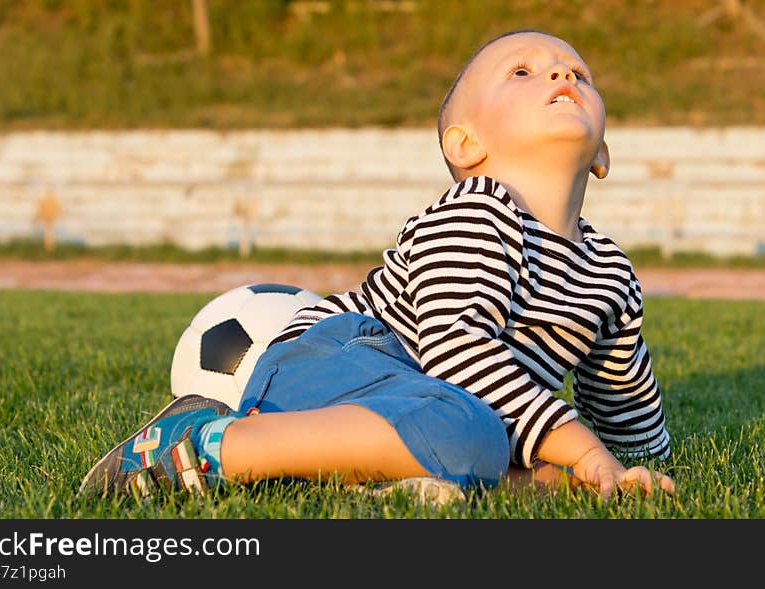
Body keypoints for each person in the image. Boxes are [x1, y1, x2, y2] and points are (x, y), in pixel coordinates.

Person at [80, 29, 676, 503]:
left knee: (510, 455)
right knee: (475, 432)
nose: (561, 73)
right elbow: (458, 355)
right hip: (343, 357)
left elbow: (621, 393)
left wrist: (627, 467)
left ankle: (385, 479)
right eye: (522, 72)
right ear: (465, 146)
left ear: (601, 151)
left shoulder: (609, 269)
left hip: (440, 404)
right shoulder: (476, 213)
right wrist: (583, 450)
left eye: (580, 74)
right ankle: (208, 444)